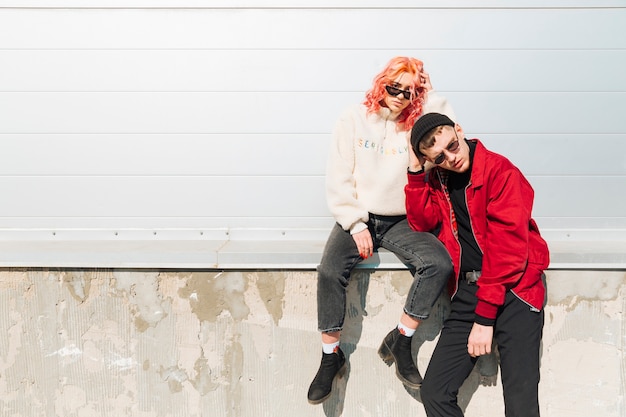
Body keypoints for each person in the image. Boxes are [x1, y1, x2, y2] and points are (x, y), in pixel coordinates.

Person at [307, 56, 455, 405]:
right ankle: (331, 356)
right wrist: (356, 223)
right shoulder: (354, 119)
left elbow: (447, 126)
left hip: (402, 219)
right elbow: (339, 175)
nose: (401, 96)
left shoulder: (416, 123)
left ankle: (402, 339)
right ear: (381, 84)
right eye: (395, 88)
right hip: (361, 215)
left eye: (410, 91)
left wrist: (428, 93)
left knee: (438, 263)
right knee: (329, 271)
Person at [405, 112, 550, 417]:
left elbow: (507, 252)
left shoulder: (501, 172)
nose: (450, 158)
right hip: (469, 293)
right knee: (435, 392)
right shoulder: (438, 181)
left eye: (452, 146)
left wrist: (484, 320)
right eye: (439, 158)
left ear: (459, 130)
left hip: (515, 290)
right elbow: (421, 223)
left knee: (520, 403)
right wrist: (416, 170)